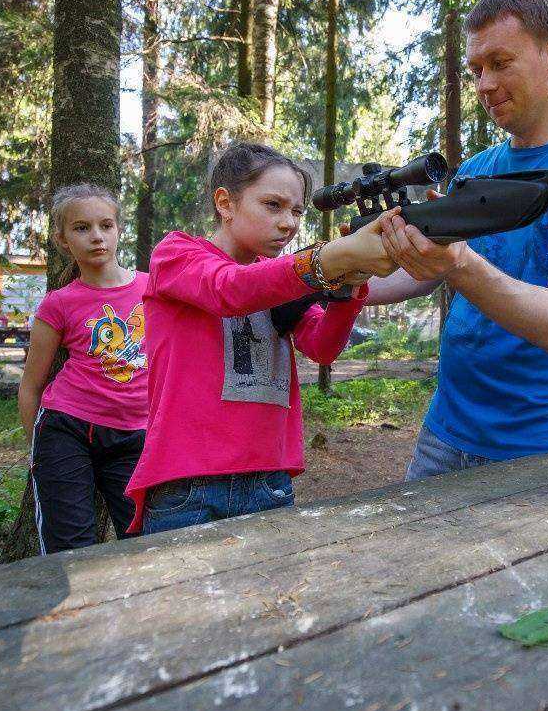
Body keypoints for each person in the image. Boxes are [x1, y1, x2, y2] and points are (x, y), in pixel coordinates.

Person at [366, 0, 548, 478]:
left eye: (500, 62)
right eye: (475, 69)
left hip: (540, 447)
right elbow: (426, 270)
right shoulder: (477, 168)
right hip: (444, 434)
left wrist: (461, 265)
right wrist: (339, 282)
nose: (483, 84)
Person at [125, 141, 398, 536]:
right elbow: (229, 289)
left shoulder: (284, 277)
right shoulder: (176, 254)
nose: (288, 223)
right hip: (188, 483)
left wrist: (347, 289)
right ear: (225, 203)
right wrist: (329, 259)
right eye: (273, 205)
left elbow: (321, 346)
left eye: (297, 211)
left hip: (270, 478)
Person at [17, 184, 149, 554]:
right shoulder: (58, 304)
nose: (96, 237)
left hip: (136, 437)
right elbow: (30, 386)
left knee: (145, 545)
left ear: (119, 229)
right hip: (67, 431)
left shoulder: (151, 288)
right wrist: (37, 450)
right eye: (81, 228)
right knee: (71, 551)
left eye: (106, 225)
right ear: (62, 240)